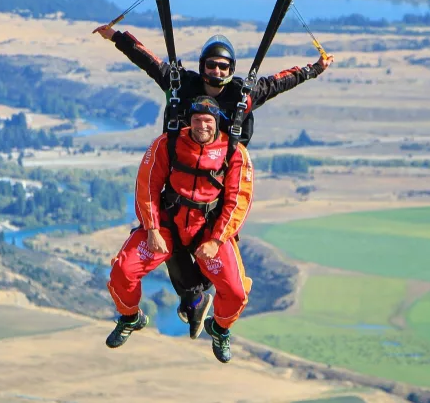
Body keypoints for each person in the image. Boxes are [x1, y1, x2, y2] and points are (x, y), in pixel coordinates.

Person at [94, 24, 333, 336]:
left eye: (223, 66)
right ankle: (189, 302)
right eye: (211, 65)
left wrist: (315, 68)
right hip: (179, 183)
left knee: (211, 263)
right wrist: (116, 37)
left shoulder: (243, 94)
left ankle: (199, 303)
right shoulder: (182, 84)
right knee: (174, 244)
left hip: (216, 188)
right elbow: (149, 61)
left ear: (230, 69)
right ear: (202, 67)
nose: (217, 71)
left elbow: (281, 81)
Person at [105, 97, 253, 363]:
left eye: (208, 121)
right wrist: (151, 229)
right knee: (122, 271)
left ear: (217, 122)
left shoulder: (233, 151)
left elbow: (237, 201)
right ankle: (130, 317)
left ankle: (219, 329)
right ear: (190, 120)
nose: (202, 126)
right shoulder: (169, 143)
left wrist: (217, 241)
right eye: (197, 120)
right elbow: (147, 185)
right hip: (166, 224)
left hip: (208, 231)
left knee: (236, 291)